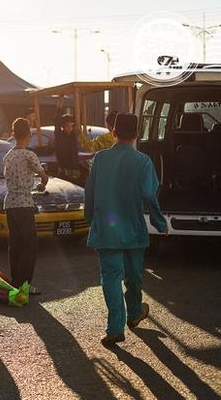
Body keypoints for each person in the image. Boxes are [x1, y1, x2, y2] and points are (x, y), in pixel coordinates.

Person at [84, 113, 168, 346]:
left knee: (110, 277)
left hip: (106, 230)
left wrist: (89, 218)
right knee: (134, 276)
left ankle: (115, 327)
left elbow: (89, 192)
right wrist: (160, 222)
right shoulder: (143, 161)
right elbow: (150, 195)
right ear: (137, 134)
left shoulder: (100, 159)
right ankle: (133, 313)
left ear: (113, 131)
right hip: (133, 228)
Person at [3, 117, 49, 295]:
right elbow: (43, 176)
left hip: (10, 204)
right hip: (24, 203)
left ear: (13, 134)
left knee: (15, 244)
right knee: (29, 246)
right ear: (29, 135)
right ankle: (25, 285)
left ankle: (15, 281)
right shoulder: (29, 155)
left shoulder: (7, 156)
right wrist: (42, 184)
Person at [54, 97, 81, 180]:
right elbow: (57, 122)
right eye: (67, 126)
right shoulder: (59, 135)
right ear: (63, 126)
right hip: (63, 170)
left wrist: (76, 100)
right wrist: (59, 107)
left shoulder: (73, 135)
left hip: (74, 168)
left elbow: (77, 119)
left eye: (71, 126)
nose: (69, 128)